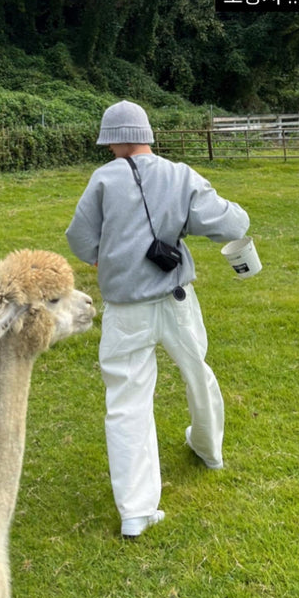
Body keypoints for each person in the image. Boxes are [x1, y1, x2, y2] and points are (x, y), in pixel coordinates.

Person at [66, 100, 250, 539]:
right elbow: (230, 222)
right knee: (196, 373)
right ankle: (209, 450)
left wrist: (103, 257)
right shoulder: (179, 174)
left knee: (126, 401)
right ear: (147, 134)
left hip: (124, 308)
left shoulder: (102, 180)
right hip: (175, 298)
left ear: (111, 140)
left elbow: (80, 237)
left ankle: (136, 511)